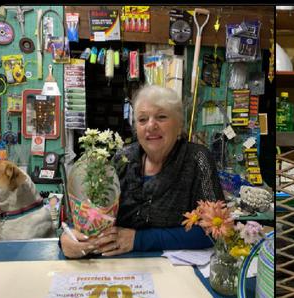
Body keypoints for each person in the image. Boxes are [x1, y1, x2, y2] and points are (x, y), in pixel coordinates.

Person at [60, 85, 225, 258]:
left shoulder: (197, 159)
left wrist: (139, 240)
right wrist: (67, 238)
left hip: (172, 273)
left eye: (161, 117)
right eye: (142, 119)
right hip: (117, 266)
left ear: (179, 125)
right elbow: (89, 212)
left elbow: (215, 230)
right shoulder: (122, 159)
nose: (151, 125)